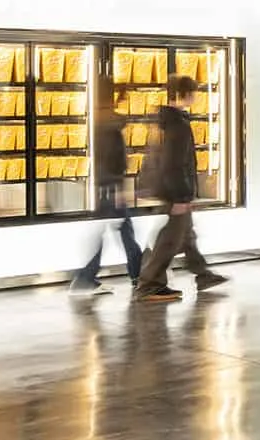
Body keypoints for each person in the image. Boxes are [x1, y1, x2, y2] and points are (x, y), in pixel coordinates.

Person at [134, 75, 227, 302]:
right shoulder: (178, 125)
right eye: (193, 92)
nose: (195, 97)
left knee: (186, 236)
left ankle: (202, 274)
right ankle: (149, 284)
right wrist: (180, 196)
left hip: (171, 191)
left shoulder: (165, 121)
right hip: (175, 193)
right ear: (185, 94)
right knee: (170, 240)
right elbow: (174, 164)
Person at [69, 88, 142, 293]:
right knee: (126, 232)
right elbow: (114, 159)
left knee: (113, 232)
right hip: (111, 187)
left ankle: (87, 277)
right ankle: (137, 276)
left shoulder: (99, 123)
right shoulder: (110, 126)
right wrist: (118, 187)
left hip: (104, 187)